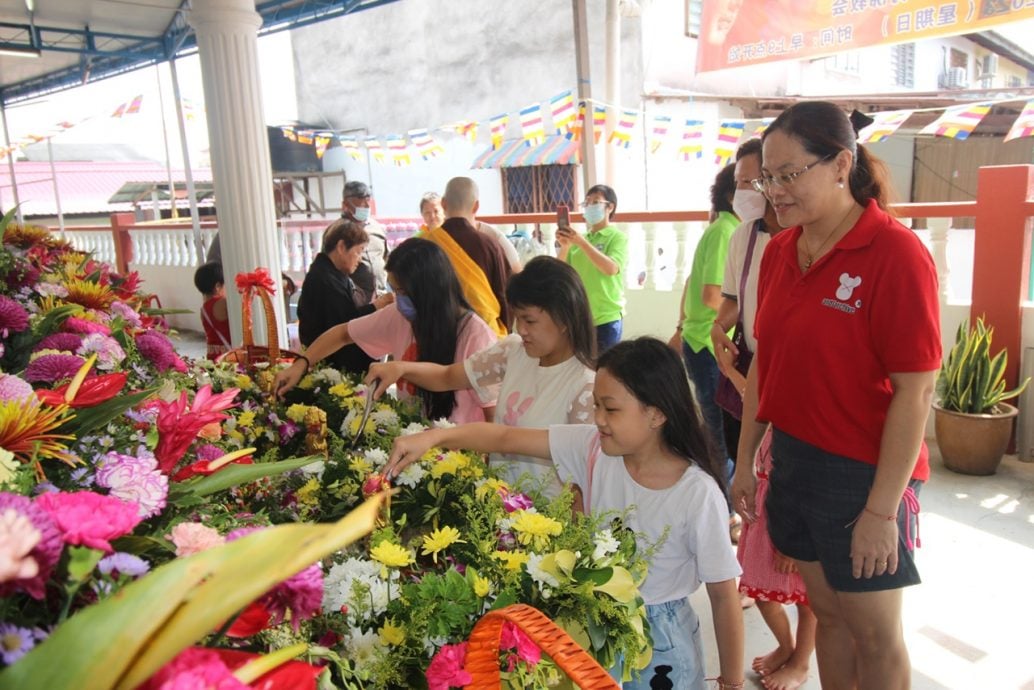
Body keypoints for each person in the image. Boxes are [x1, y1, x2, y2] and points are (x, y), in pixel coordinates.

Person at [382, 338, 744, 690]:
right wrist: (433, 438)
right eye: (596, 405)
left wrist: (732, 681)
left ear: (657, 413)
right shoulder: (593, 446)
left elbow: (724, 596)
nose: (598, 418)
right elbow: (506, 438)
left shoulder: (696, 493)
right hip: (596, 624)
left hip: (662, 640)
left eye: (611, 408)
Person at [732, 102, 940, 690]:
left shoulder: (896, 254)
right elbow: (766, 367)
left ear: (841, 164)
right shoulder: (779, 253)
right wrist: (747, 461)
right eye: (766, 177)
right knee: (830, 618)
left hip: (866, 472)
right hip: (794, 460)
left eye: (788, 174)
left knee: (874, 634)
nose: (774, 190)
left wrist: (880, 511)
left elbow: (915, 392)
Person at [365, 256, 596, 495]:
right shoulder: (513, 351)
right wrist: (401, 369)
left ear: (564, 319)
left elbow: (579, 480)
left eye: (530, 320)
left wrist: (436, 438)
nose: (520, 329)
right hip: (500, 503)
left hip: (545, 520)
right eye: (517, 318)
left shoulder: (585, 387)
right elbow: (446, 376)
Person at [275, 238, 497, 423]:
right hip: (410, 447)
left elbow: (493, 417)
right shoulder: (398, 316)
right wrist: (302, 364)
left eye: (403, 292)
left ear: (430, 291)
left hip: (461, 462)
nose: (397, 299)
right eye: (394, 290)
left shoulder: (475, 335)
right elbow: (342, 334)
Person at [711, 138, 785, 465]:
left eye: (749, 182)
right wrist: (717, 328)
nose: (741, 191)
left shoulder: (801, 237)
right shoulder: (743, 235)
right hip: (748, 365)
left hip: (785, 372)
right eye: (737, 182)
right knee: (743, 455)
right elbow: (733, 298)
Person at [670, 162, 738, 467]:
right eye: (750, 184)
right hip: (707, 345)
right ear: (731, 194)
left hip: (706, 342)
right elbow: (712, 295)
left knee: (720, 432)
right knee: (719, 436)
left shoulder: (731, 230)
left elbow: (690, 283)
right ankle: (721, 507)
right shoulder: (726, 231)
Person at [296, 218, 391, 377]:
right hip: (332, 365)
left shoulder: (331, 274)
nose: (360, 258)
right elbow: (343, 327)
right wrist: (376, 306)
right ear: (341, 247)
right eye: (359, 251)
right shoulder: (324, 280)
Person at [423, 177, 513, 336]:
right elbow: (504, 294)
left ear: (443, 204)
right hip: (485, 336)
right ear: (476, 206)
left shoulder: (425, 244)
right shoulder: (489, 245)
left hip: (440, 334)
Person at [556, 184, 628, 354]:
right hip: (580, 317)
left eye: (595, 202)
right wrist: (565, 247)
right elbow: (561, 272)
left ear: (610, 207)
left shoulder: (617, 237)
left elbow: (611, 268)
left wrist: (582, 243)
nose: (590, 207)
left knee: (604, 368)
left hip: (606, 317)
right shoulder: (579, 239)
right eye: (587, 203)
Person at [417, 190, 520, 271]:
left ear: (444, 209)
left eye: (436, 211)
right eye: (427, 213)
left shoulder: (458, 234)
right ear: (422, 215)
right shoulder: (419, 239)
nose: (432, 216)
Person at [341, 180, 389, 302]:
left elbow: (387, 259)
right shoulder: (338, 232)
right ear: (346, 204)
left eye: (368, 202)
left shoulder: (377, 228)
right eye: (361, 204)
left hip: (381, 297)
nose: (367, 207)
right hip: (355, 301)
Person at [193, 261, 231, 360]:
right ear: (218, 286)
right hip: (227, 358)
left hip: (212, 357)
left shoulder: (203, 310)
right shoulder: (223, 303)